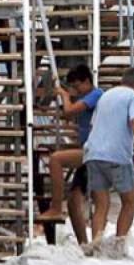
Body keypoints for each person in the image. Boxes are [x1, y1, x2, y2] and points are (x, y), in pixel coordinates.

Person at [82, 67, 134, 246]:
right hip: (116, 156)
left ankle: (96, 243)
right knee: (130, 201)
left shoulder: (106, 96)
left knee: (101, 203)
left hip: (93, 154)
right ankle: (119, 244)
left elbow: (93, 125)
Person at [36, 65, 103, 242]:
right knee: (74, 202)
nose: (75, 91)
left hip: (95, 152)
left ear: (87, 82)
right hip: (88, 150)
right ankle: (84, 244)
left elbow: (69, 111)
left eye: (76, 86)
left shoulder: (95, 95)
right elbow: (70, 118)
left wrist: (65, 95)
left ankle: (56, 207)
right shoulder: (86, 98)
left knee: (56, 160)